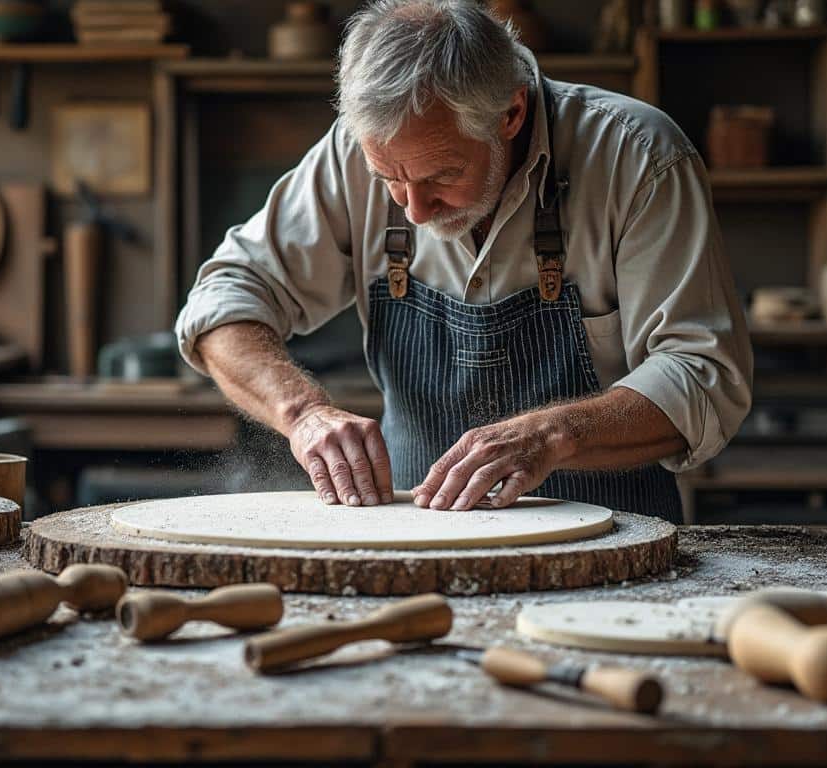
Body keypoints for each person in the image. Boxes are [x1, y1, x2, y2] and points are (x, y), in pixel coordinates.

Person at [175, 0, 752, 521]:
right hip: (420, 537)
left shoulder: (637, 156)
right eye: (390, 181)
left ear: (511, 114)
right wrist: (303, 414)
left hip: (613, 537)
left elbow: (703, 372)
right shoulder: (355, 151)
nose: (417, 211)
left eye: (442, 176)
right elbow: (222, 300)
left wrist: (553, 434)